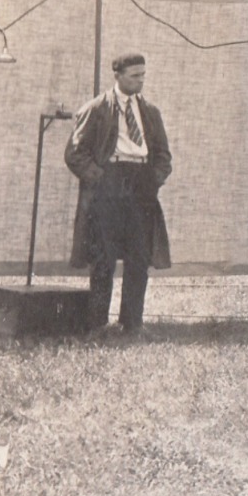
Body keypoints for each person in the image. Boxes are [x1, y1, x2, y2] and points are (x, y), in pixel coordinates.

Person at [64, 52, 173, 335]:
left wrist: (154, 179)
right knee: (104, 257)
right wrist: (99, 180)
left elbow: (163, 155)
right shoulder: (96, 108)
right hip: (108, 184)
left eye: (143, 75)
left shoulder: (150, 111)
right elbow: (75, 153)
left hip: (141, 185)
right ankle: (97, 323)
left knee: (139, 256)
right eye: (135, 76)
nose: (140, 81)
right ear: (118, 76)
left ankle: (132, 323)